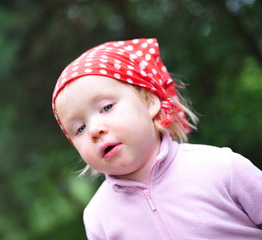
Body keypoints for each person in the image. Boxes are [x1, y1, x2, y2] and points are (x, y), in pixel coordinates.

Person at [51, 38, 262, 239]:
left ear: (150, 101)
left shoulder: (221, 167)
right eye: (79, 129)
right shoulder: (98, 218)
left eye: (106, 107)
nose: (94, 130)